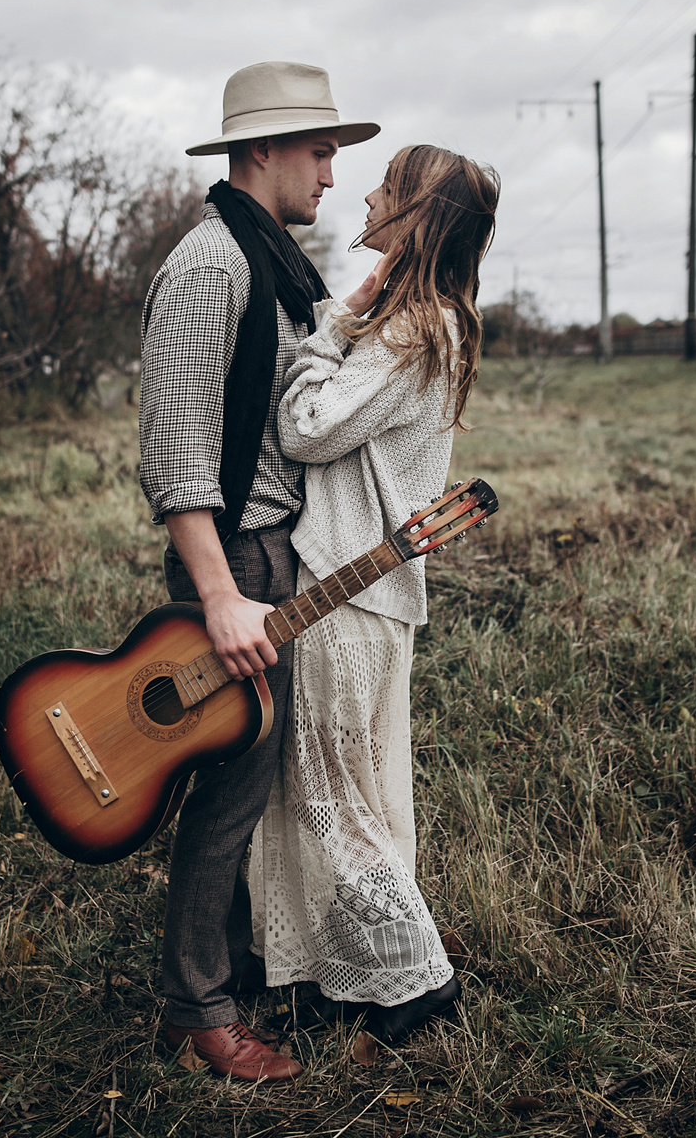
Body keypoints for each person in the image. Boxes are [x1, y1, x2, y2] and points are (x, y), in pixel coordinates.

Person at [136, 61, 378, 1083]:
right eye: (320, 150)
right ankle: (200, 1008)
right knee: (231, 786)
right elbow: (176, 458)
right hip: (230, 563)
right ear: (265, 150)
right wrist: (225, 594)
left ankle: (232, 970)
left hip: (268, 557)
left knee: (253, 778)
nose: (331, 171)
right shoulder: (210, 269)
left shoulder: (269, 264)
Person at [250, 144, 500, 1045]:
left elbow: (307, 427)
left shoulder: (410, 328)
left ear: (417, 218)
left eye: (386, 188)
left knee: (330, 791)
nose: (361, 192)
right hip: (368, 591)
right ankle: (335, 970)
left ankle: (413, 980)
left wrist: (330, 326)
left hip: (346, 594)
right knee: (348, 785)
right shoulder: (431, 322)